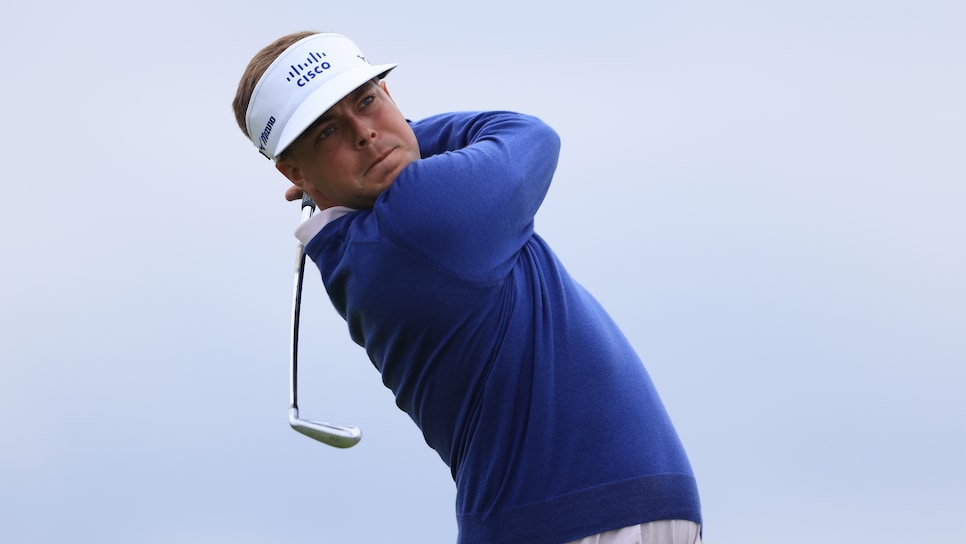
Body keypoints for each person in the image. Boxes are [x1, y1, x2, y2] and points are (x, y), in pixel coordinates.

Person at [232, 31, 703, 544]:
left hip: (582, 518)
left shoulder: (366, 239)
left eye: (368, 101)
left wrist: (367, 155)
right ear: (293, 171)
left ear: (390, 95)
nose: (364, 134)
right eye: (327, 133)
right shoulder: (418, 220)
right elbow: (528, 135)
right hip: (575, 522)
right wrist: (403, 136)